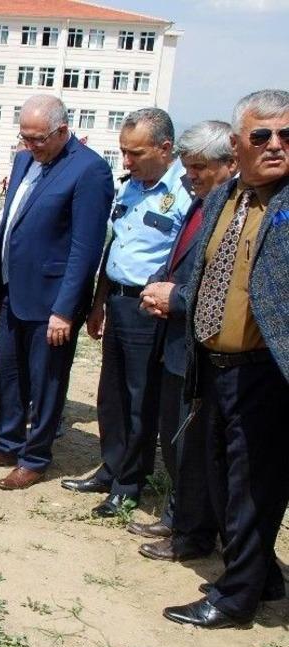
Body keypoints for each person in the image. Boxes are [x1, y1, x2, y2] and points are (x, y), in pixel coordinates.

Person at [162, 89, 289, 630]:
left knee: (250, 487)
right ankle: (262, 577)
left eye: (286, 135)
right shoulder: (224, 197)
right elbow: (213, 276)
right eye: (262, 136)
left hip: (266, 372)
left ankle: (236, 598)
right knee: (220, 474)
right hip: (213, 365)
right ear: (236, 144)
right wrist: (178, 296)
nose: (276, 145)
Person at [0, 94, 113, 491]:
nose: (29, 146)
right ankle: (8, 443)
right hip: (14, 290)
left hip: (52, 301)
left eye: (37, 139)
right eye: (24, 138)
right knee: (7, 374)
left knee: (45, 380)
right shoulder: (25, 160)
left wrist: (65, 310)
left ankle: (35, 456)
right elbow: (12, 222)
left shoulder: (89, 171)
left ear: (63, 131)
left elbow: (85, 248)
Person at [63, 108, 191, 517]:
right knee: (111, 394)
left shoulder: (185, 195)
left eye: (135, 153)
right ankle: (112, 465)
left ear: (165, 148)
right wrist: (99, 302)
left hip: (148, 308)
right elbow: (114, 246)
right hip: (117, 300)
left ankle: (129, 483)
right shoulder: (131, 188)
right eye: (123, 152)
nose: (127, 162)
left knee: (140, 398)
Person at [134, 121, 236, 562]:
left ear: (228, 165)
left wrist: (174, 300)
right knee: (174, 441)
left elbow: (222, 285)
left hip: (201, 348)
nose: (191, 176)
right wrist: (158, 287)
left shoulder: (231, 212)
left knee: (191, 449)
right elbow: (177, 263)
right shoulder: (200, 205)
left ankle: (193, 537)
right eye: (189, 167)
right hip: (175, 341)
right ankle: (178, 517)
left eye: (200, 168)